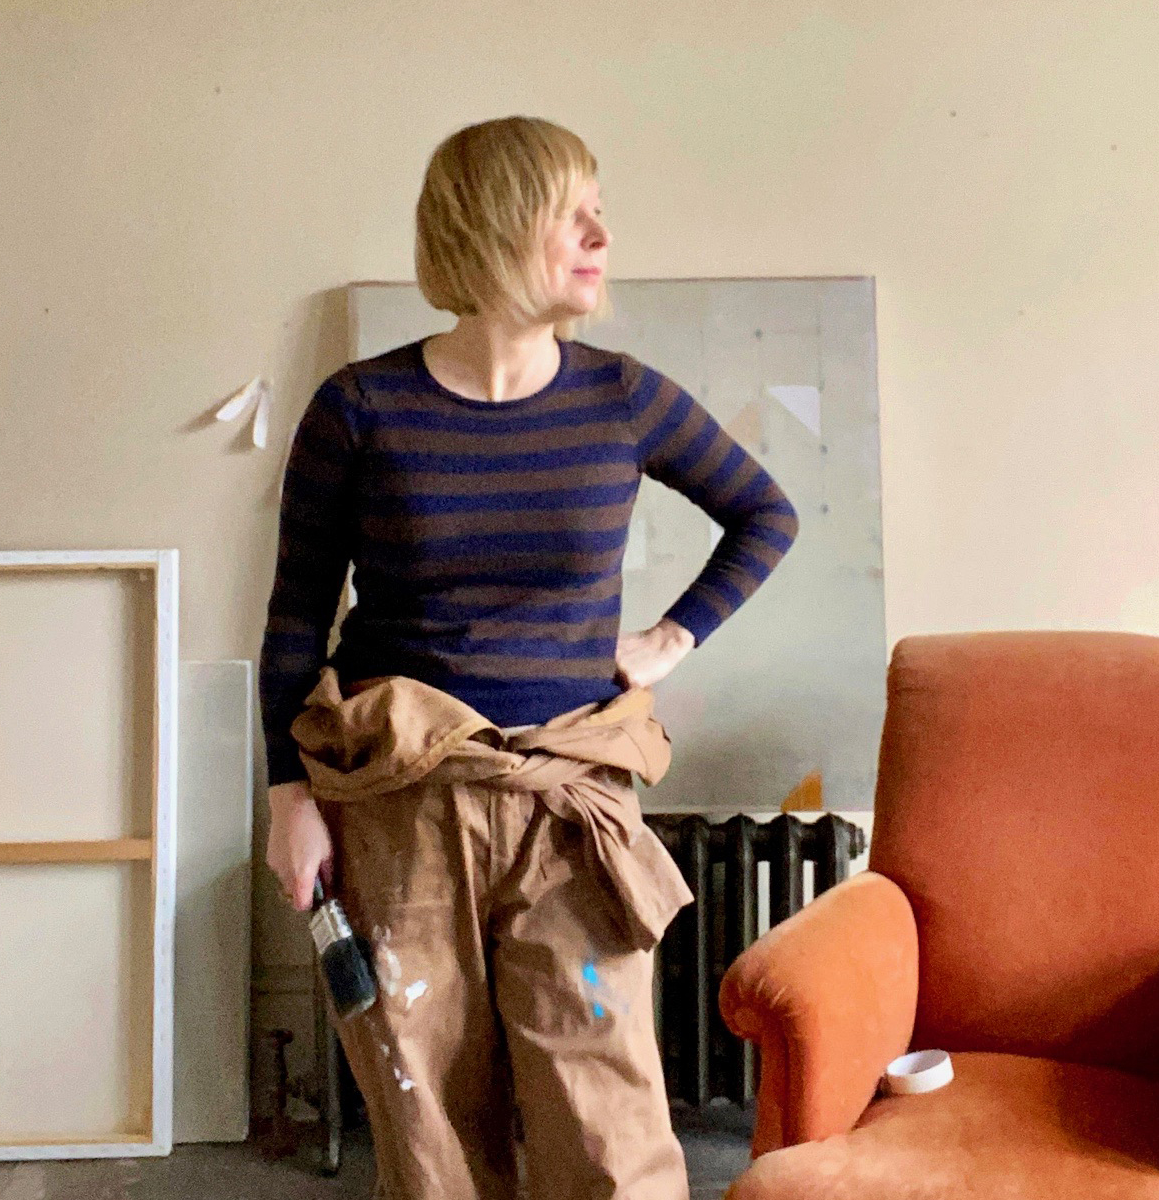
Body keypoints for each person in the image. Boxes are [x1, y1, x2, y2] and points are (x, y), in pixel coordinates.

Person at [257, 115, 798, 1200]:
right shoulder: (361, 409)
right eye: (573, 213)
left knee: (607, 1126)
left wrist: (667, 640)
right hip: (400, 809)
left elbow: (763, 513)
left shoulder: (622, 397)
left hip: (570, 805)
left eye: (600, 211)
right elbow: (294, 622)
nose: (602, 235)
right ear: (493, 227)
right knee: (427, 1122)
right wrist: (287, 800)